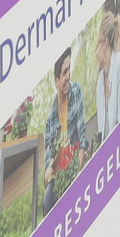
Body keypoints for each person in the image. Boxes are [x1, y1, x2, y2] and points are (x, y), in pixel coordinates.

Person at [43, 47, 88, 214]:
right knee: (47, 201)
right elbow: (48, 158)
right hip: (60, 173)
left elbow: (82, 136)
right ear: (57, 81)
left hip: (76, 162)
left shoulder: (76, 93)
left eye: (69, 70)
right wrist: (49, 170)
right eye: (64, 73)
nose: (68, 76)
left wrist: (78, 170)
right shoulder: (51, 119)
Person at [96, 11, 120, 140]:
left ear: (105, 43)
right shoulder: (100, 84)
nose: (96, 53)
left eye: (98, 46)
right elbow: (101, 131)